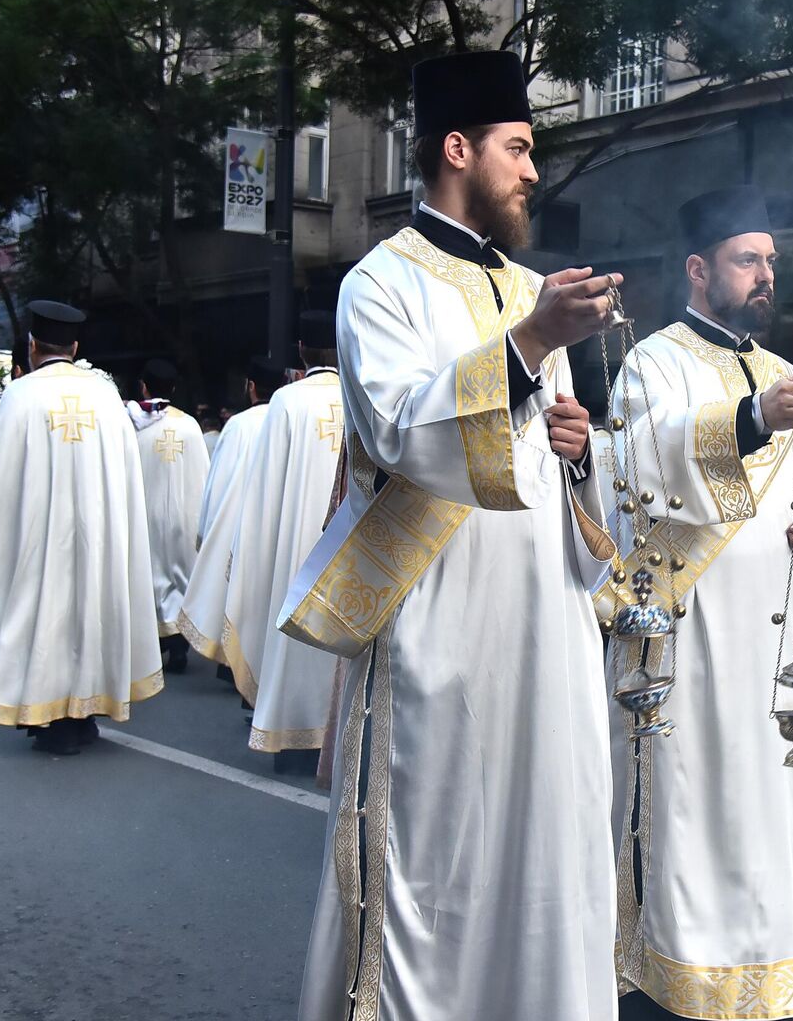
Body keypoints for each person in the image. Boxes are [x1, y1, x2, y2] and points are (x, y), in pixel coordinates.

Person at [278, 51, 619, 1021]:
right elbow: (398, 432)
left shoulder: (534, 288)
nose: (534, 170)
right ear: (458, 149)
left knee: (545, 843)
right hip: (439, 625)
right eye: (519, 148)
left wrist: (579, 451)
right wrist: (531, 344)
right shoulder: (378, 284)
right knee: (433, 852)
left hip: (544, 632)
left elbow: (549, 468)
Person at [599, 184, 793, 1017]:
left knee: (773, 803)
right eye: (748, 260)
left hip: (775, 635)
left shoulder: (782, 374)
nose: (766, 274)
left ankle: (773, 967)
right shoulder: (653, 360)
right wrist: (749, 418)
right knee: (696, 801)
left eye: (771, 260)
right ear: (700, 270)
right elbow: (638, 472)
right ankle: (672, 975)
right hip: (692, 629)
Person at [0, 300, 164, 756]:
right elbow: (126, 477)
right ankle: (86, 713)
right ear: (75, 348)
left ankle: (49, 714)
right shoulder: (106, 397)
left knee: (43, 615)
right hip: (99, 539)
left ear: (33, 346)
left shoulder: (18, 397)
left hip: (38, 539)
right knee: (91, 612)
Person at [219, 315, 345, 772]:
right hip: (348, 544)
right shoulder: (363, 393)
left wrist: (250, 547)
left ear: (301, 350)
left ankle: (293, 736)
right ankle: (342, 742)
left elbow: (263, 488)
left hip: (297, 549)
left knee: (293, 633)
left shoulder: (288, 401)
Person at [176, 356, 282, 683]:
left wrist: (207, 530)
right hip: (282, 522)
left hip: (243, 525)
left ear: (251, 387)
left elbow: (218, 481)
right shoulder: (288, 416)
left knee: (242, 594)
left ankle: (234, 662)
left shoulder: (239, 425)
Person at [128, 359, 211, 674]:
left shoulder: (134, 426)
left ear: (143, 387)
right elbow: (203, 475)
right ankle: (178, 647)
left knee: (148, 575)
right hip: (184, 516)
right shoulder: (190, 425)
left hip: (145, 515)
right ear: (174, 388)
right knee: (180, 577)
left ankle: (152, 643)